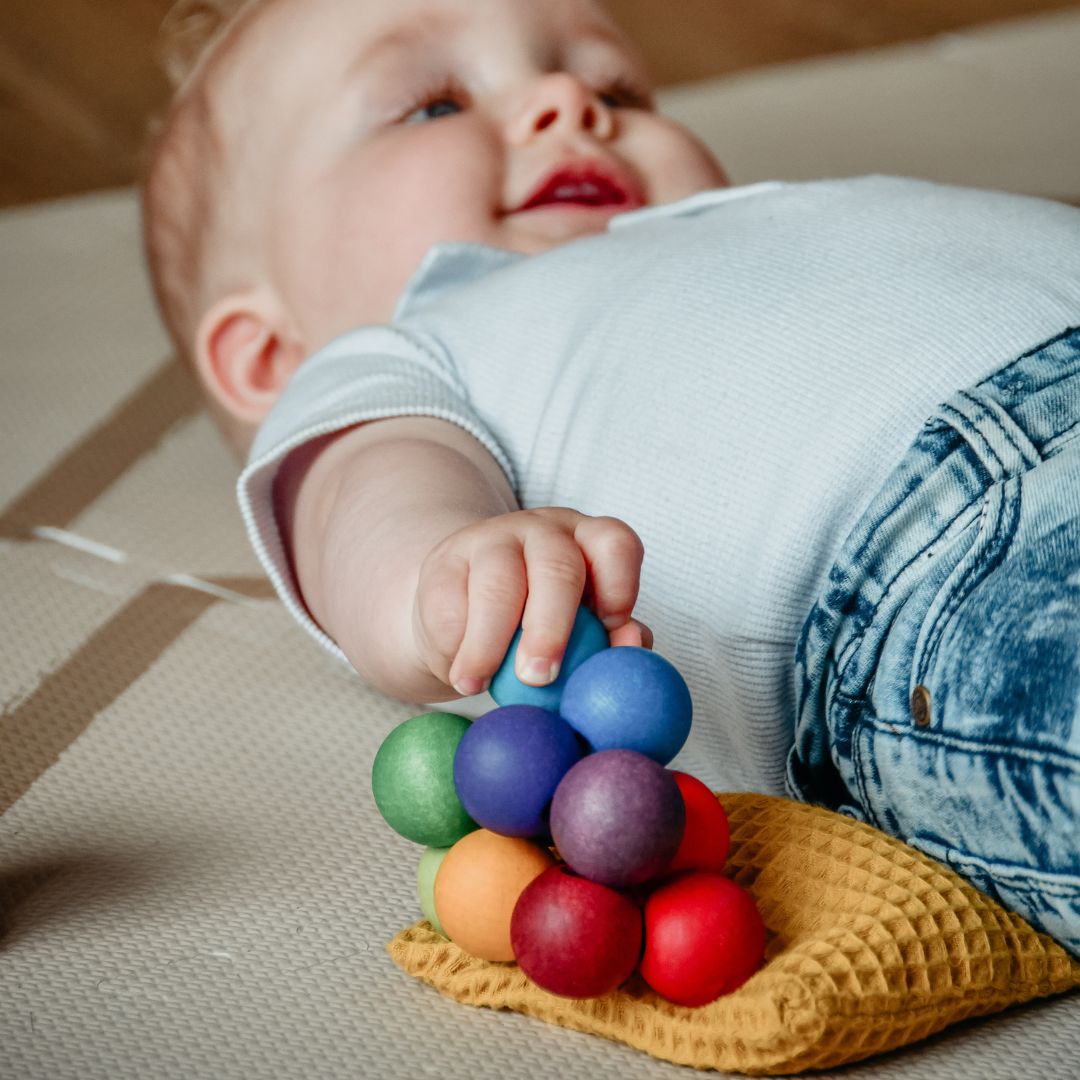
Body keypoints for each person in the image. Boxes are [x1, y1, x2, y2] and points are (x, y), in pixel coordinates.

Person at [141, 0, 1080, 952]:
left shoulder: (760, 221)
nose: (566, 101)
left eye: (616, 88)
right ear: (272, 358)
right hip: (947, 550)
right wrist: (447, 568)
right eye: (433, 105)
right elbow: (365, 494)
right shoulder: (406, 348)